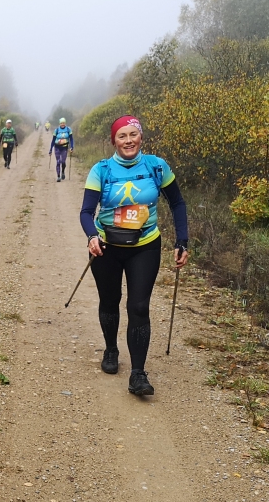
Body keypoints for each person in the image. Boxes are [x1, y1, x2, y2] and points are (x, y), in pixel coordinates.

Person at [78, 115, 188, 396]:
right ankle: (112, 349)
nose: (129, 141)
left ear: (141, 137)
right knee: (110, 300)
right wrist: (92, 236)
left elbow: (176, 202)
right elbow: (86, 212)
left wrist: (182, 240)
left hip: (145, 246)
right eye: (122, 136)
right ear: (113, 140)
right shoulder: (100, 170)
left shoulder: (156, 166)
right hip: (106, 247)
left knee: (139, 307)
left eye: (133, 135)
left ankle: (138, 373)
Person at [49, 117, 74, 182]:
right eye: (61, 123)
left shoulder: (68, 129)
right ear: (59, 124)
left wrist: (72, 147)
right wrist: (50, 149)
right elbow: (53, 140)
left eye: (63, 123)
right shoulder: (56, 130)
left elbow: (71, 139)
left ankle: (62, 171)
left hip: (64, 148)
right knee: (58, 162)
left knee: (63, 161)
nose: (62, 124)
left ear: (65, 123)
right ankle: (58, 176)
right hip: (57, 147)